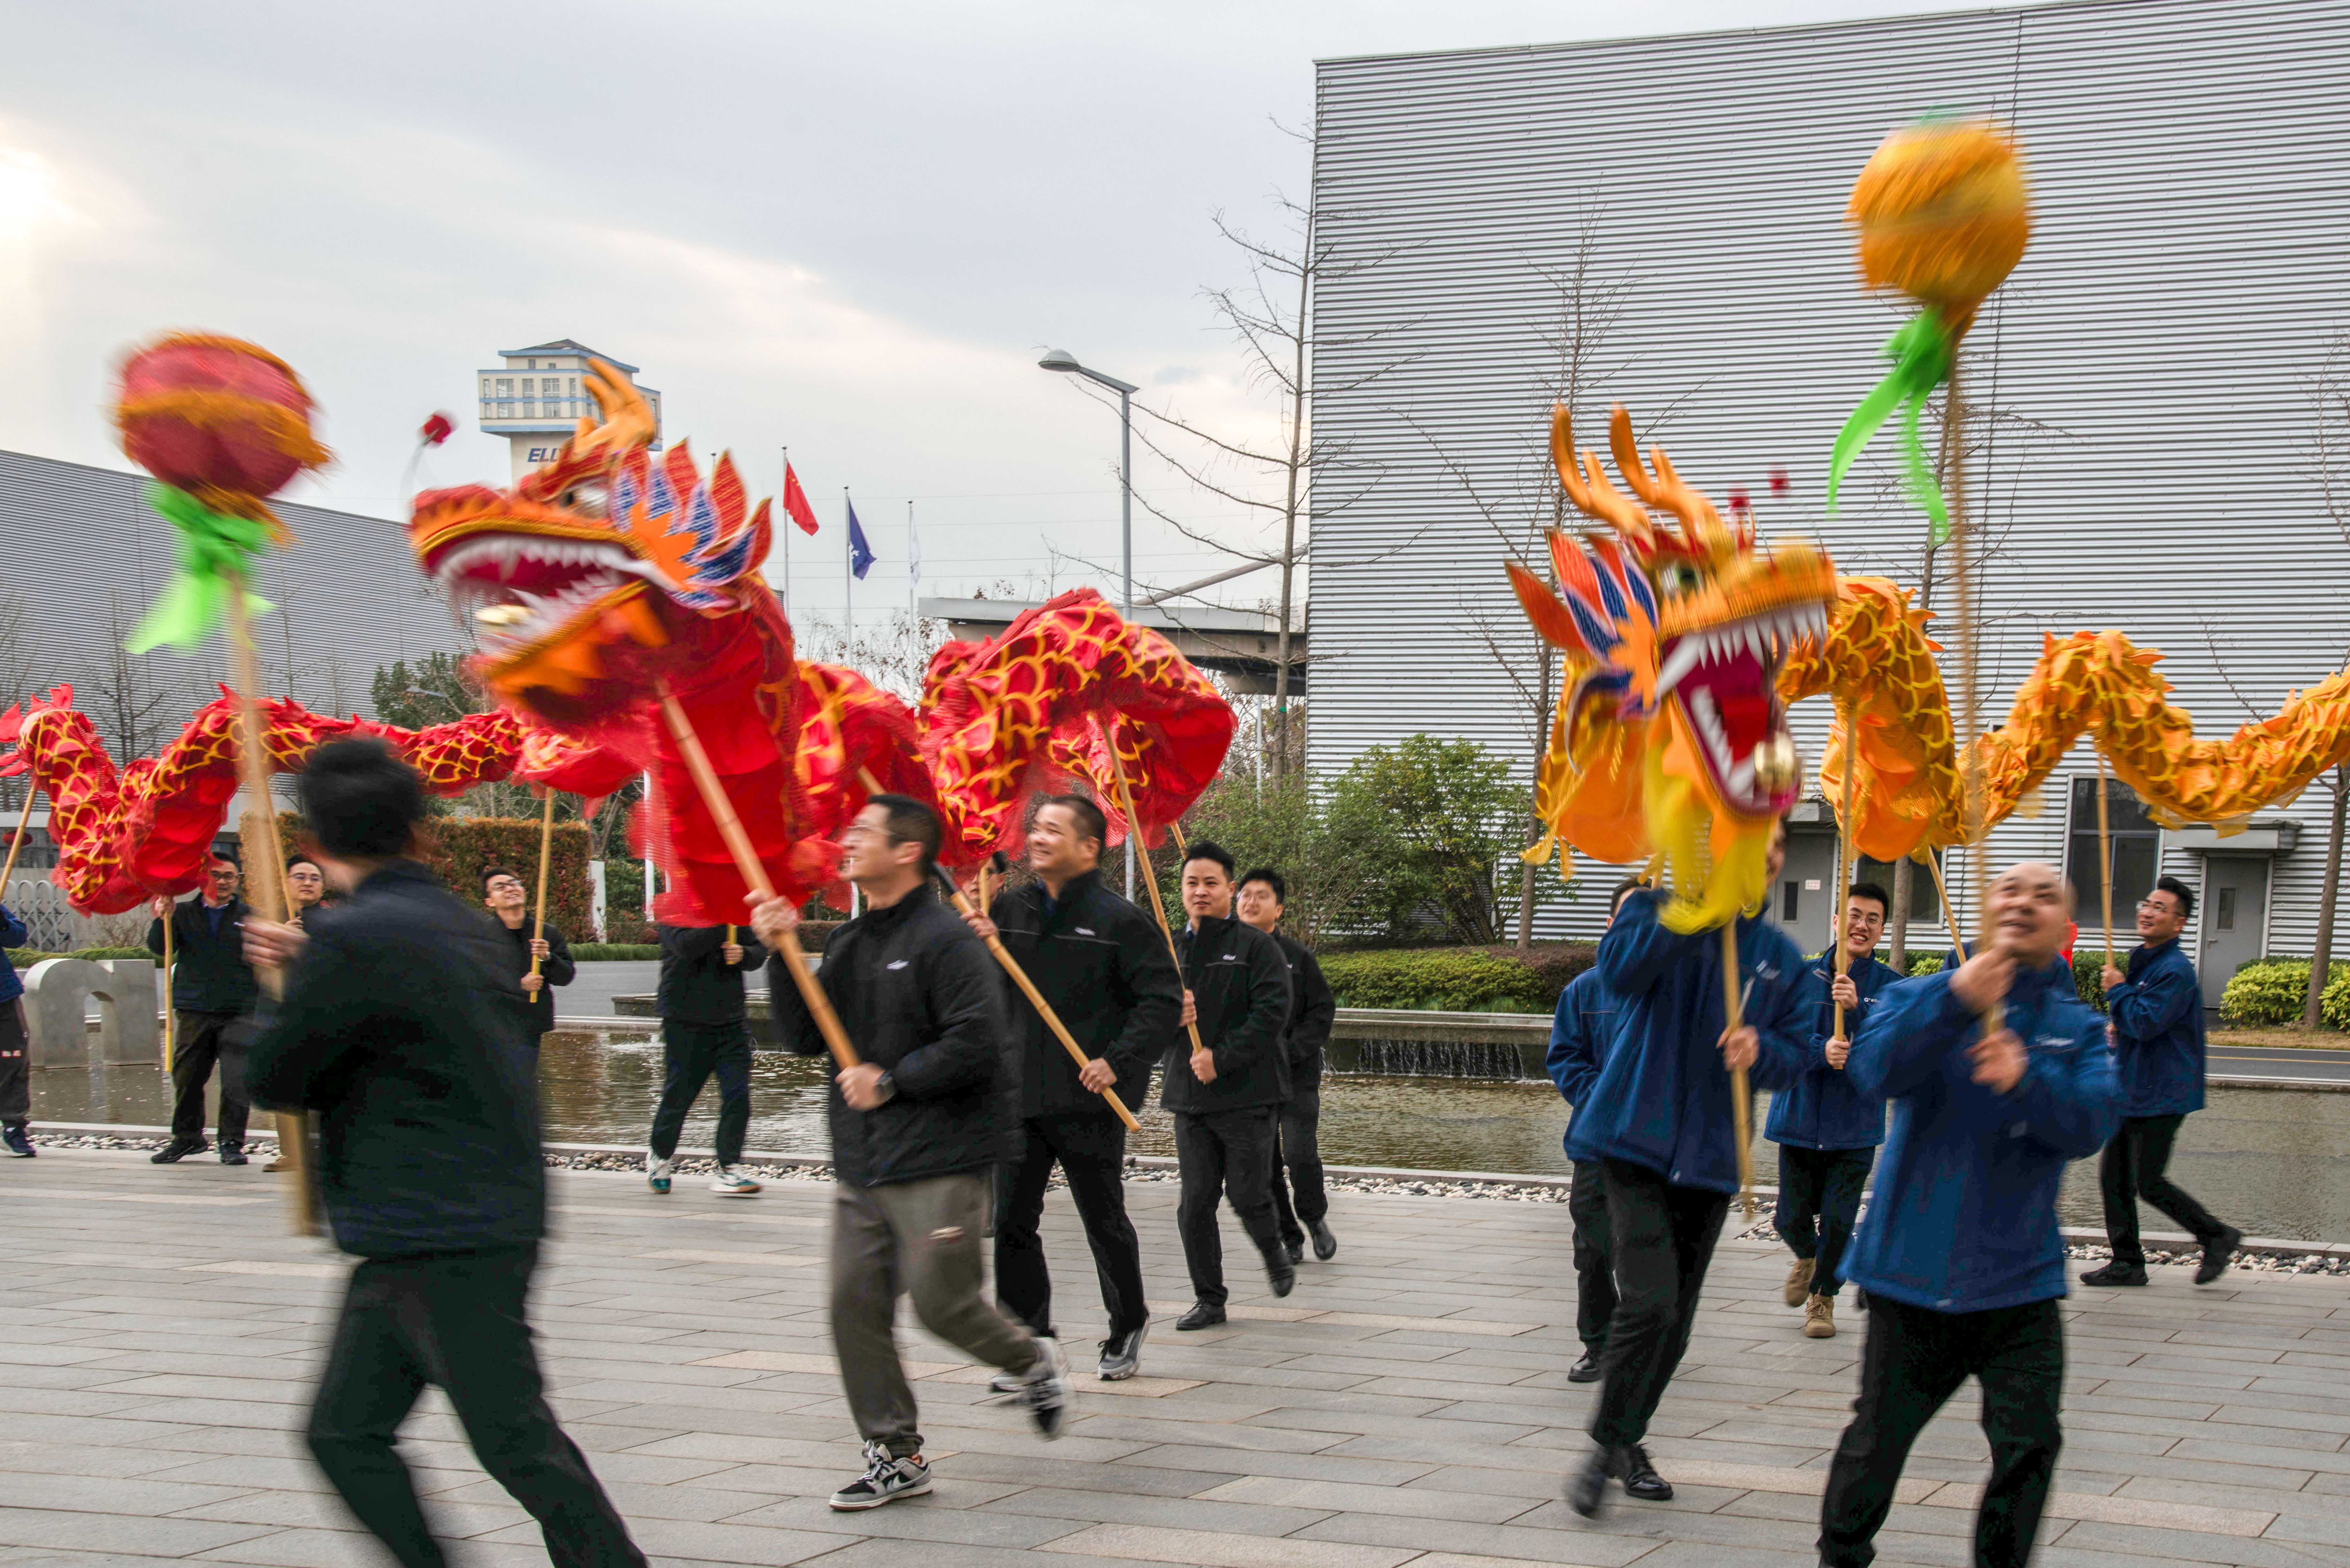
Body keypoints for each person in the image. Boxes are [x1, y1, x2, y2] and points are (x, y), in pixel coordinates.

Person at [240, 738, 644, 1568]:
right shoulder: (458, 925)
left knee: (511, 1443)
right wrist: (313, 968)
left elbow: (280, 1074)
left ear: (316, 844)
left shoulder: (358, 939)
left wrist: (275, 998)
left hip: (436, 1233)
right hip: (461, 1220)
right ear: (422, 834)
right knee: (348, 1432)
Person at [749, 793, 1068, 1512]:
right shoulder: (852, 942)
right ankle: (895, 1453)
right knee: (849, 1305)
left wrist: (891, 1080)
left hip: (940, 1158)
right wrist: (780, 951)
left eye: (860, 832)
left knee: (940, 1304)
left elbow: (980, 1040)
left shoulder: (946, 939)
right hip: (863, 1162)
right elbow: (805, 1037)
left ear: (905, 851)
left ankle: (1030, 1360)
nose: (845, 841)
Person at [1819, 861, 2120, 1568]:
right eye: (2008, 889)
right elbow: (1873, 1071)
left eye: (2043, 895)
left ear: (2062, 923)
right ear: (1984, 907)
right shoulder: (1918, 994)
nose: (2022, 902)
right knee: (1878, 1436)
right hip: (1909, 1270)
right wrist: (1953, 1000)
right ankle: (1840, 1554)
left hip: (2019, 1280)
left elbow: (2090, 1124)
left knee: (2030, 1445)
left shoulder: (2078, 1028)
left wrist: (2028, 1078)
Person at [1566, 820, 1810, 1516]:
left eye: (1769, 858)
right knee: (1649, 1300)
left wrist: (1759, 1049)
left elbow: (1794, 1054)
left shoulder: (1778, 957)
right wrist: (1694, 910)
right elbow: (1616, 971)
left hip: (1708, 1159)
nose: (1757, 867)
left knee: (1675, 1322)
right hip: (1628, 1141)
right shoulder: (1653, 906)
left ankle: (1625, 1439)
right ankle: (1607, 1444)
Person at [962, 795, 1179, 1383]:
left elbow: (1160, 1001)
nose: (1037, 837)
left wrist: (1118, 1060)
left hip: (1088, 1096)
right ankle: (1029, 1340)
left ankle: (1127, 1320)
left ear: (1089, 847)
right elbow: (986, 996)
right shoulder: (1007, 909)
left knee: (1102, 1217)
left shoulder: (1120, 922)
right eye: (1036, 828)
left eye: (1053, 830)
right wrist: (975, 949)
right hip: (1019, 1096)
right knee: (1011, 1221)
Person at [2085, 874, 2241, 1287]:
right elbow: (2136, 1023)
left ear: (2179, 924)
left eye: (2160, 909)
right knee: (2113, 1179)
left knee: (2147, 1181)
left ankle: (2217, 1235)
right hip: (2132, 1087)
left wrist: (2118, 994)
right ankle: (2128, 1263)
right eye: (2147, 904)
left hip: (2163, 1093)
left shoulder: (2175, 970)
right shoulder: (2146, 961)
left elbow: (2147, 1021)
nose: (2148, 912)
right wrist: (2116, 1026)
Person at [1164, 840, 1294, 1330]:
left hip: (1248, 1095)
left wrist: (1222, 1058)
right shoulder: (1172, 950)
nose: (1200, 892)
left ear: (1230, 889)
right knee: (1195, 1203)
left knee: (1247, 1195)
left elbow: (1271, 1015)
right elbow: (1144, 1015)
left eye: (1211, 883)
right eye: (1192, 883)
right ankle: (1210, 1298)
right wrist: (1172, 1018)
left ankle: (1274, 1253)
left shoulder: (1257, 948)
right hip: (1190, 1098)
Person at [1766, 880, 1902, 1340]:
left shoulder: (1892, 990)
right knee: (1789, 1216)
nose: (1861, 926)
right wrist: (1819, 1051)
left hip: (1855, 1127)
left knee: (1841, 1220)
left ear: (1882, 930)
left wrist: (1857, 1011)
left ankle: (1821, 1298)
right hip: (1799, 1119)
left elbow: (1894, 1056)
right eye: (1855, 915)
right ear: (1837, 920)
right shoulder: (1800, 980)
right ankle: (1815, 1257)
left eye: (1873, 919)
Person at [1544, 876, 1644, 1384]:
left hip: (1652, 1146)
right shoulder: (1583, 991)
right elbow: (1564, 1058)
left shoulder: (1669, 992)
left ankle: (1645, 1336)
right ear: (1609, 925)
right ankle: (1597, 1343)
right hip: (1596, 1142)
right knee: (1593, 1246)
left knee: (1646, 1248)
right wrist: (1602, 1099)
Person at [1239, 867, 1338, 1267]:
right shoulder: (1228, 955)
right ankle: (1288, 1236)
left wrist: (1293, 1050)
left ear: (1278, 908)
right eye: (1244, 894)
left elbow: (1322, 1011)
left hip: (1296, 1077)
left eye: (1261, 896)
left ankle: (1314, 1218)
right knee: (1263, 1164)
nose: (1250, 901)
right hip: (1247, 1081)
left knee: (1300, 1154)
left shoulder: (1299, 958)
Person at [145, 854, 259, 1165]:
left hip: (240, 1009)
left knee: (237, 1080)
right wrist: (161, 918)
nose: (221, 882)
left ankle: (232, 1141)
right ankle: (187, 1137)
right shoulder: (181, 913)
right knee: (188, 1076)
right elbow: (158, 947)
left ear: (238, 880)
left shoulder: (250, 916)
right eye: (215, 875)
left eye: (229, 876)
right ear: (201, 878)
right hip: (195, 1007)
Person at [645, 921, 769, 1198]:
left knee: (737, 1095)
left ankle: (730, 1168)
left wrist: (744, 954)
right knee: (680, 1094)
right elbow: (687, 947)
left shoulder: (737, 915)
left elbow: (759, 950)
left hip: (731, 1020)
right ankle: (660, 1157)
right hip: (684, 1019)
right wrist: (724, 924)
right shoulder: (677, 911)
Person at [481, 865, 575, 1042]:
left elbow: (566, 978)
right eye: (500, 887)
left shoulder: (546, 933)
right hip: (492, 1026)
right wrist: (519, 986)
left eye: (514, 884)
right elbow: (473, 982)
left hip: (532, 1026)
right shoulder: (480, 936)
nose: (510, 889)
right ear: (490, 901)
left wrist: (547, 957)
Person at [0, 895, 31, 1157]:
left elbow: (18, 937)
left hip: (3, 996)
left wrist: (2, 924)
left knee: (14, 1059)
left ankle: (13, 1126)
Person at [286, 855, 330, 926]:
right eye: (300, 878)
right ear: (285, 882)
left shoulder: (338, 922)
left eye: (315, 879)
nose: (308, 883)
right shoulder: (271, 919)